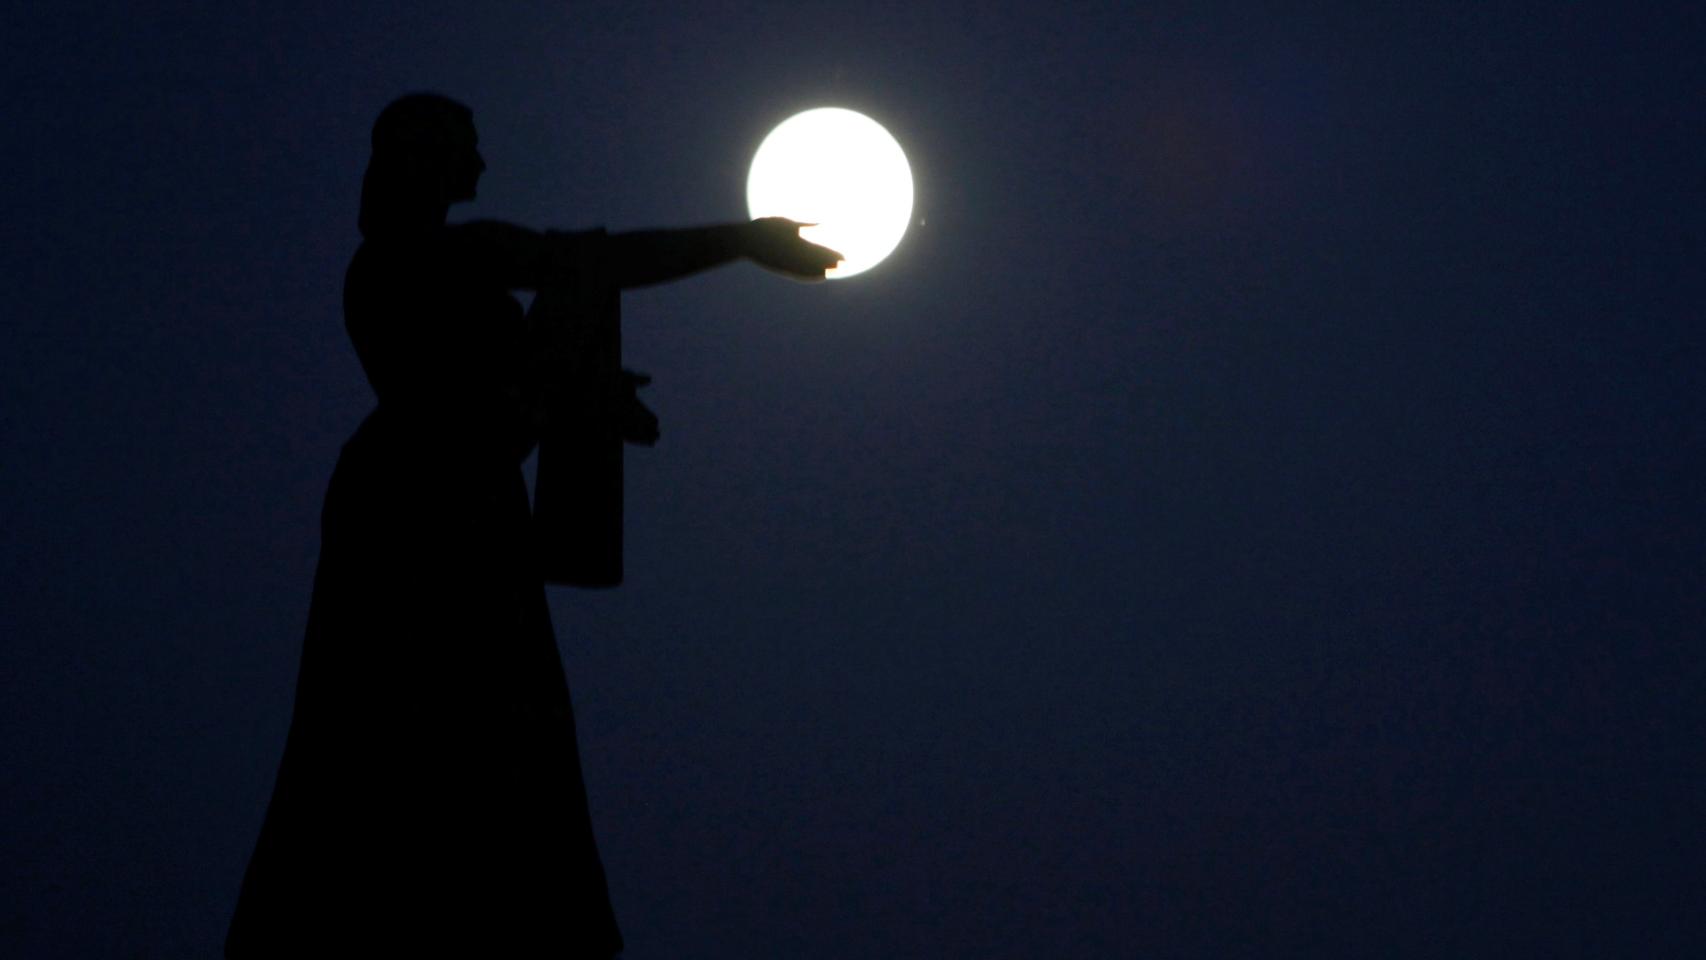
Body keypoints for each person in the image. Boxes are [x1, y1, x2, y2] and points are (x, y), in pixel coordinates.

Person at [225, 93, 841, 958]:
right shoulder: (424, 259)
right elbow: (580, 277)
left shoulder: (414, 264)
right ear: (428, 156)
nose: (481, 165)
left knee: (485, 741)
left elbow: (501, 379)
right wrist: (740, 241)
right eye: (467, 148)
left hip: (462, 507)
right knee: (418, 732)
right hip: (420, 511)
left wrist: (583, 399)